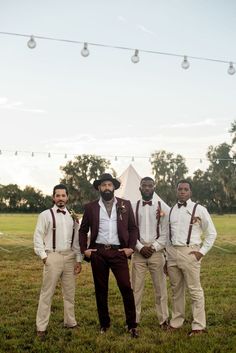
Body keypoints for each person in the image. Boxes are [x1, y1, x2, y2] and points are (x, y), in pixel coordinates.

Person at [79, 173, 139, 338]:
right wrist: (85, 249)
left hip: (119, 252)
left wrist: (131, 248)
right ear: (99, 188)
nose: (107, 188)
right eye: (103, 185)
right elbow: (83, 230)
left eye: (109, 185)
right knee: (101, 290)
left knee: (126, 287)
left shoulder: (124, 204)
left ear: (114, 187)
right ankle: (104, 324)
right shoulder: (90, 207)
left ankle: (132, 325)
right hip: (98, 252)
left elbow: (133, 228)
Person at [166, 179, 217, 336]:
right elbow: (169, 235)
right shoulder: (172, 210)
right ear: (176, 191)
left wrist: (201, 252)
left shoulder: (200, 209)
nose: (182, 191)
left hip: (190, 253)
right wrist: (167, 258)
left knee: (194, 290)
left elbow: (212, 233)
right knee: (176, 291)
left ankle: (198, 326)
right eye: (180, 189)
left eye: (185, 189)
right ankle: (176, 322)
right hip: (172, 253)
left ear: (190, 192)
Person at [34, 184, 82, 341]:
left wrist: (78, 260)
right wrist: (44, 257)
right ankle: (41, 327)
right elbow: (37, 237)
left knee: (69, 293)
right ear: (53, 197)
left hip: (69, 257)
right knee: (47, 293)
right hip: (52, 256)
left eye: (63, 195)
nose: (61, 198)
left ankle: (70, 322)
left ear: (67, 197)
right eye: (58, 195)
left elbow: (76, 240)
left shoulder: (73, 216)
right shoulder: (45, 215)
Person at [131, 177, 169, 329]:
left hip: (156, 252)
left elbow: (165, 233)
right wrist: (140, 247)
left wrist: (153, 247)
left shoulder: (163, 207)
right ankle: (134, 320)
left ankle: (163, 319)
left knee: (160, 288)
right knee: (136, 288)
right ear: (140, 188)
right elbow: (130, 232)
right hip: (138, 252)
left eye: (150, 186)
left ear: (154, 188)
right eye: (144, 186)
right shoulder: (133, 207)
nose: (147, 188)